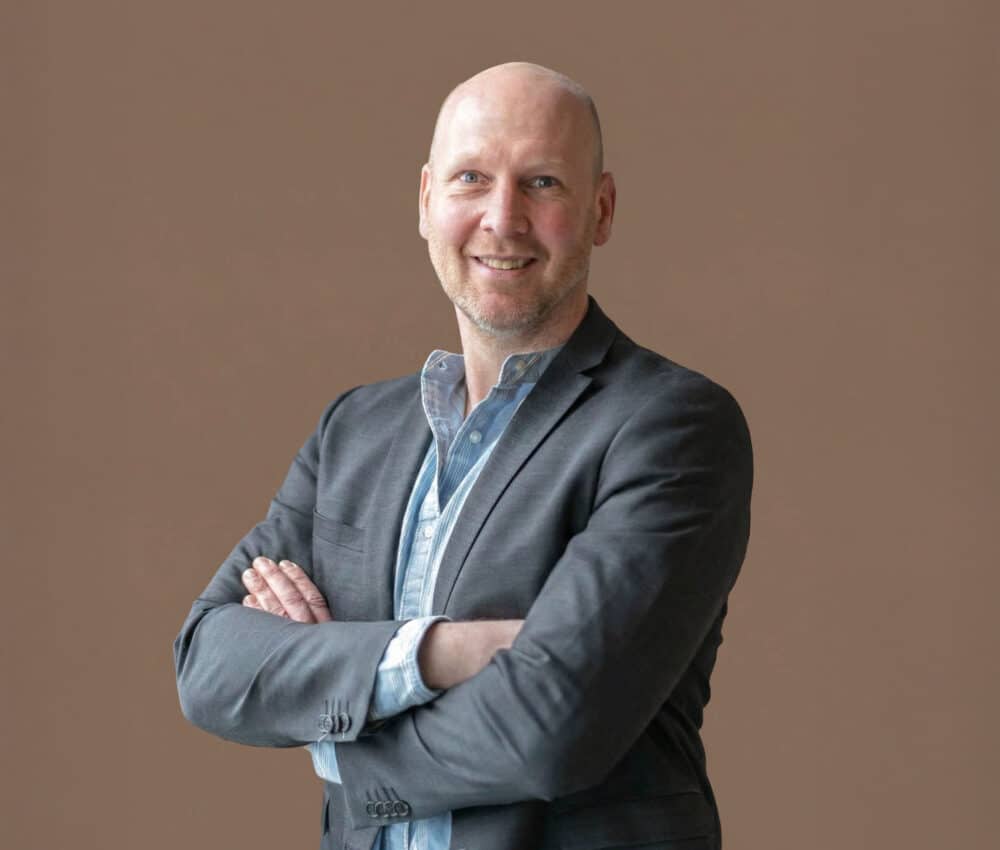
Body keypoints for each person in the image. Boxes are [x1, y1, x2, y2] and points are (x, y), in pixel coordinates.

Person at [174, 61, 753, 850]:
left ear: (601, 210)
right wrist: (440, 651)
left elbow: (550, 726)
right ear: (425, 201)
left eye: (542, 182)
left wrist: (336, 728)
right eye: (471, 178)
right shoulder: (353, 432)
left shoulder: (670, 426)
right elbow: (208, 663)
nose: (502, 218)